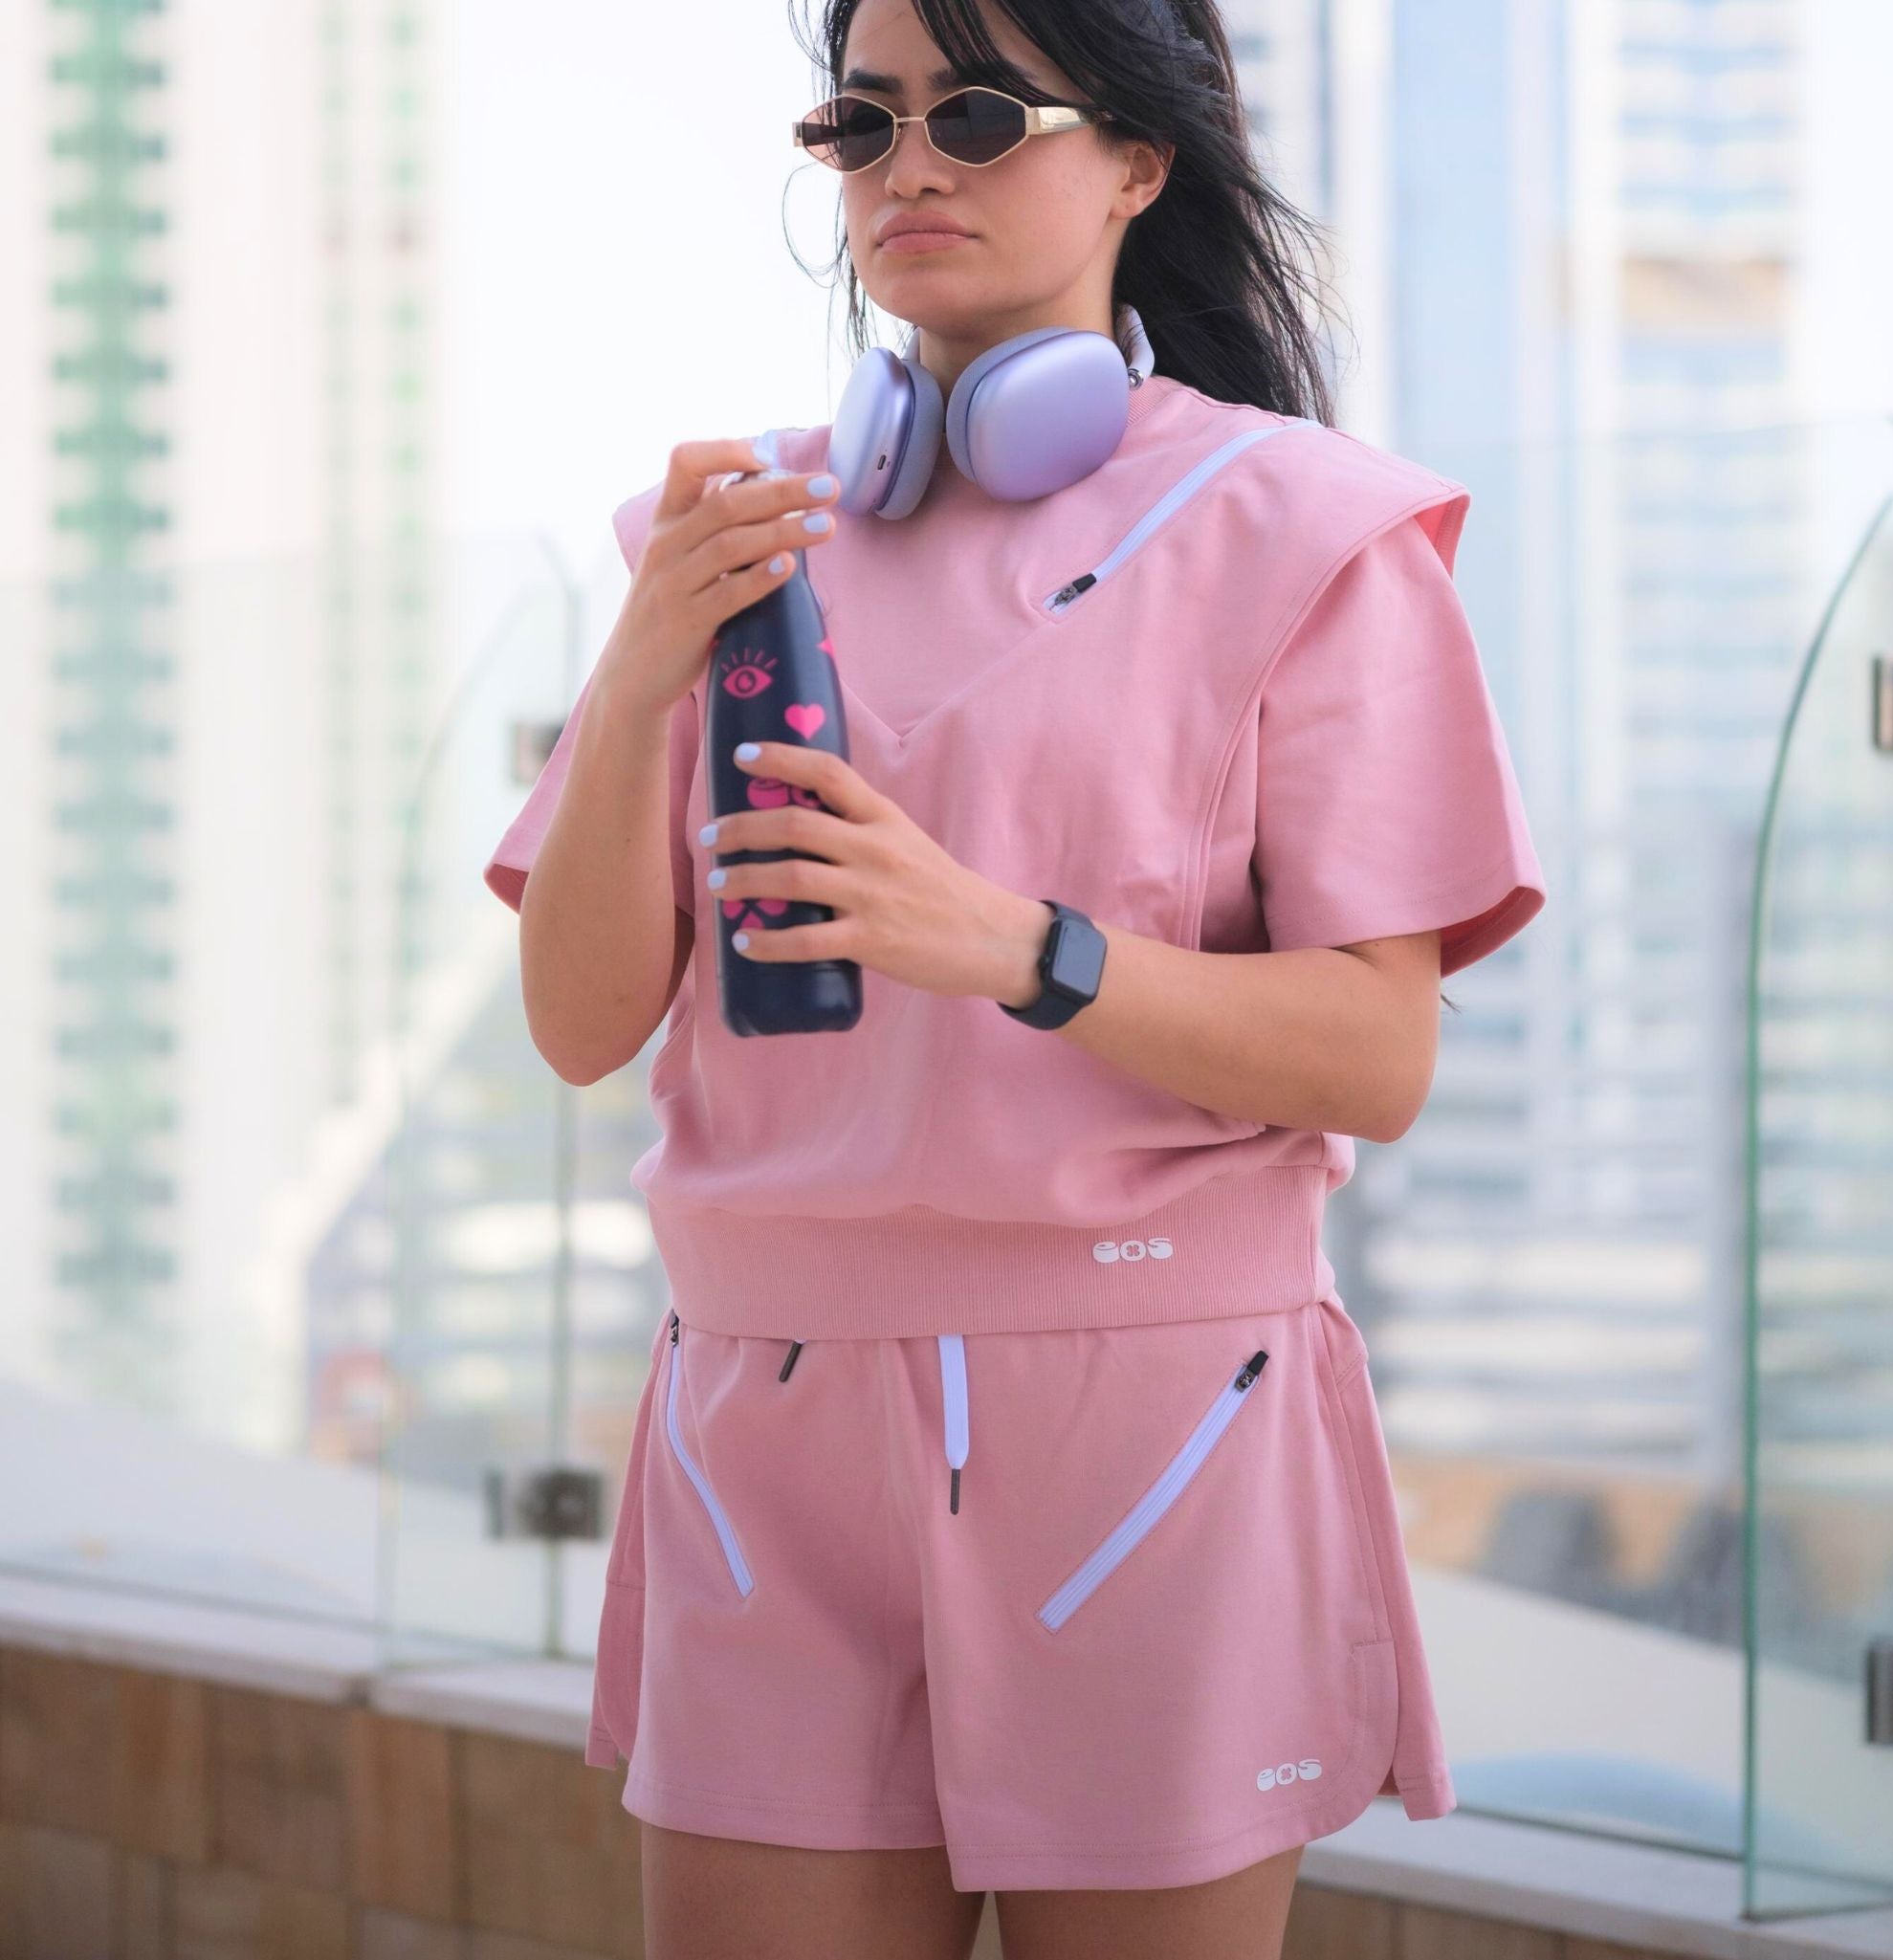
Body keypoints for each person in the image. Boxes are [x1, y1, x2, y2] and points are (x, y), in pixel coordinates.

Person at [486, 1, 1547, 1954]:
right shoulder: (723, 540)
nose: (909, 167)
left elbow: (1372, 1050)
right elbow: (576, 1023)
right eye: (860, 119)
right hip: (762, 1429)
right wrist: (641, 666)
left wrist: (1014, 948)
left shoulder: (1304, 529)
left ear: (1136, 161)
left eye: (976, 113)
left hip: (1154, 1427)